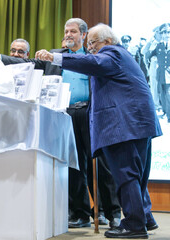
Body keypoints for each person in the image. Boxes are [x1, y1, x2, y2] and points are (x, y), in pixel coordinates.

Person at [35, 23, 162, 239]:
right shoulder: (122, 56)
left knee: (126, 174)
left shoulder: (111, 53)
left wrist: (55, 58)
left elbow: (93, 61)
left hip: (123, 124)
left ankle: (134, 225)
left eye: (93, 43)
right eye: (89, 44)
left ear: (107, 41)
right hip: (137, 123)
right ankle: (144, 218)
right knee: (136, 174)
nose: (90, 48)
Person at [1, 18, 121, 229]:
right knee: (74, 166)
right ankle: (81, 213)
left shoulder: (94, 57)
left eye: (73, 31)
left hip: (90, 113)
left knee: (100, 166)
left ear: (84, 36)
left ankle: (110, 213)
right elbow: (25, 64)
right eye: (66, 31)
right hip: (64, 115)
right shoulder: (54, 57)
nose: (68, 34)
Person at [147, 23, 170, 123]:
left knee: (168, 94)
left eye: (168, 32)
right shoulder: (158, 46)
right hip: (161, 75)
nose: (166, 34)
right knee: (163, 94)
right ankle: (166, 113)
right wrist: (151, 41)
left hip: (168, 74)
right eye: (163, 32)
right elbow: (146, 54)